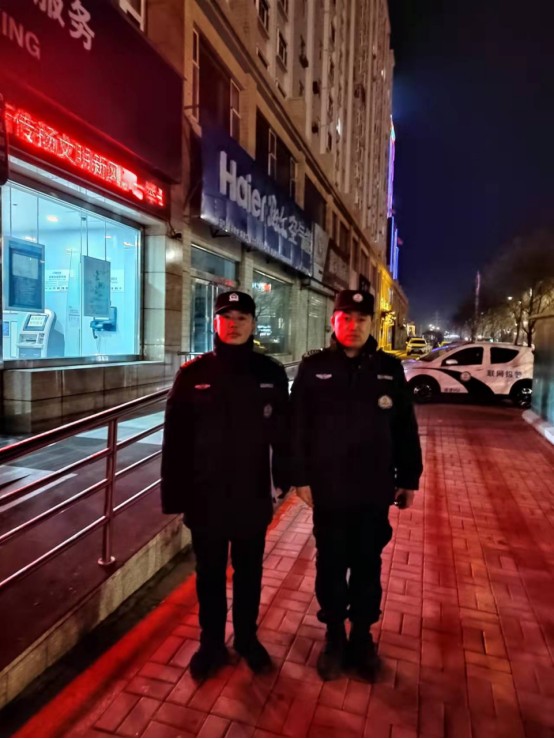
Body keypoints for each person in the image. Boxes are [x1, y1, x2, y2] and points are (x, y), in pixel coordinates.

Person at [290, 289, 423, 682]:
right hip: (329, 490)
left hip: (373, 489)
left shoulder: (389, 369)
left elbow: (405, 427)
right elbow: (297, 428)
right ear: (333, 322)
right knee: (330, 565)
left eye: (361, 319)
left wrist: (409, 478)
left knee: (368, 564)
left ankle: (362, 638)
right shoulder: (314, 368)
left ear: (370, 324)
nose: (353, 326)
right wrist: (300, 477)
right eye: (345, 318)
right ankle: (334, 637)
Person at [161, 290, 292, 681]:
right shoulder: (193, 375)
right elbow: (175, 442)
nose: (233, 325)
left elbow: (284, 434)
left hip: (252, 494)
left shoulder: (270, 373)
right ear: (215, 322)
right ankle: (211, 644)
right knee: (210, 575)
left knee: (250, 573)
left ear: (253, 325)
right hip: (205, 497)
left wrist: (285, 482)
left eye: (242, 318)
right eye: (226, 317)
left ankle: (247, 639)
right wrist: (175, 496)